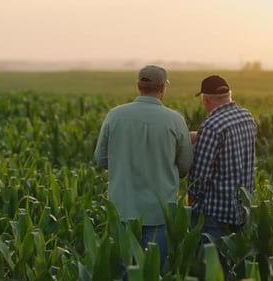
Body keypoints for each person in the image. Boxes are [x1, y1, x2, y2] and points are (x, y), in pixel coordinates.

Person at [94, 65, 193, 271]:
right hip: (159, 211)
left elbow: (101, 159)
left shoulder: (115, 115)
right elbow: (185, 166)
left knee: (126, 270)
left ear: (138, 86)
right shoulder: (175, 120)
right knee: (153, 271)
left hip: (123, 207)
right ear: (163, 88)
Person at [188, 75, 256, 278]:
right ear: (228, 95)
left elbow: (199, 177)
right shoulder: (246, 116)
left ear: (205, 100)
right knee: (233, 263)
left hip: (214, 212)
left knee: (214, 269)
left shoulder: (212, 126)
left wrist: (191, 201)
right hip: (241, 207)